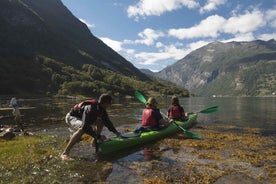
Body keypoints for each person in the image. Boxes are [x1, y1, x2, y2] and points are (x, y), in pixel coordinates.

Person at [61, 94, 121, 160]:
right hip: (72, 117)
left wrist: (116, 132)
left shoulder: (102, 109)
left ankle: (94, 142)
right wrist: (99, 136)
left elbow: (108, 122)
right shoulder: (90, 108)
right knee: (82, 129)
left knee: (101, 122)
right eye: (110, 103)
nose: (110, 105)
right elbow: (85, 127)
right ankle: (65, 153)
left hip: (82, 119)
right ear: (106, 103)